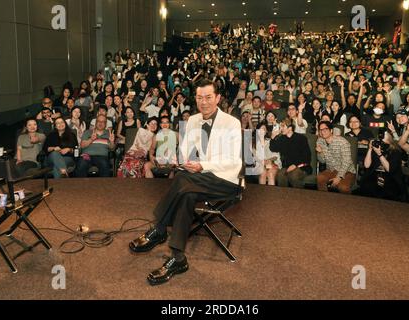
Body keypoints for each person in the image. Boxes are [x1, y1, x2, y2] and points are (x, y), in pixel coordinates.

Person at [129, 80, 242, 286]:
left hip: (226, 179)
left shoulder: (231, 123)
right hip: (199, 178)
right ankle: (178, 258)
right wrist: (179, 160)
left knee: (183, 181)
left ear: (218, 98)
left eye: (208, 97)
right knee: (186, 191)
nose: (204, 102)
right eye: (199, 98)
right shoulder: (192, 121)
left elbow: (234, 161)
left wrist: (202, 166)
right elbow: (185, 152)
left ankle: (160, 229)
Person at [357, 131, 406, 201]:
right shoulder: (376, 148)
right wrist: (370, 149)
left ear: (390, 138)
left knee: (388, 191)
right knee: (366, 186)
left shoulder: (395, 151)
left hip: (390, 176)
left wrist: (379, 154)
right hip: (375, 174)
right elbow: (367, 165)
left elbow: (389, 169)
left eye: (384, 136)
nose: (381, 140)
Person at [270, 118, 312, 189]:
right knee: (280, 175)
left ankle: (300, 196)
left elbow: (307, 156)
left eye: (283, 126)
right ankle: (283, 197)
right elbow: (273, 148)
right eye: (280, 126)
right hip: (287, 166)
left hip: (302, 166)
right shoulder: (281, 139)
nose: (281, 129)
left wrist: (295, 165)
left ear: (290, 128)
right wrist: (273, 138)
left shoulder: (301, 138)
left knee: (293, 175)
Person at [316, 121, 357, 194]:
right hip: (331, 170)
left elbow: (346, 161)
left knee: (343, 187)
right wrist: (320, 152)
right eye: (321, 130)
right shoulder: (320, 141)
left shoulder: (342, 142)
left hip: (347, 171)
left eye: (325, 129)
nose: (323, 132)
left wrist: (339, 177)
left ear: (331, 130)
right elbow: (322, 161)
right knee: (320, 178)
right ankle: (323, 200)